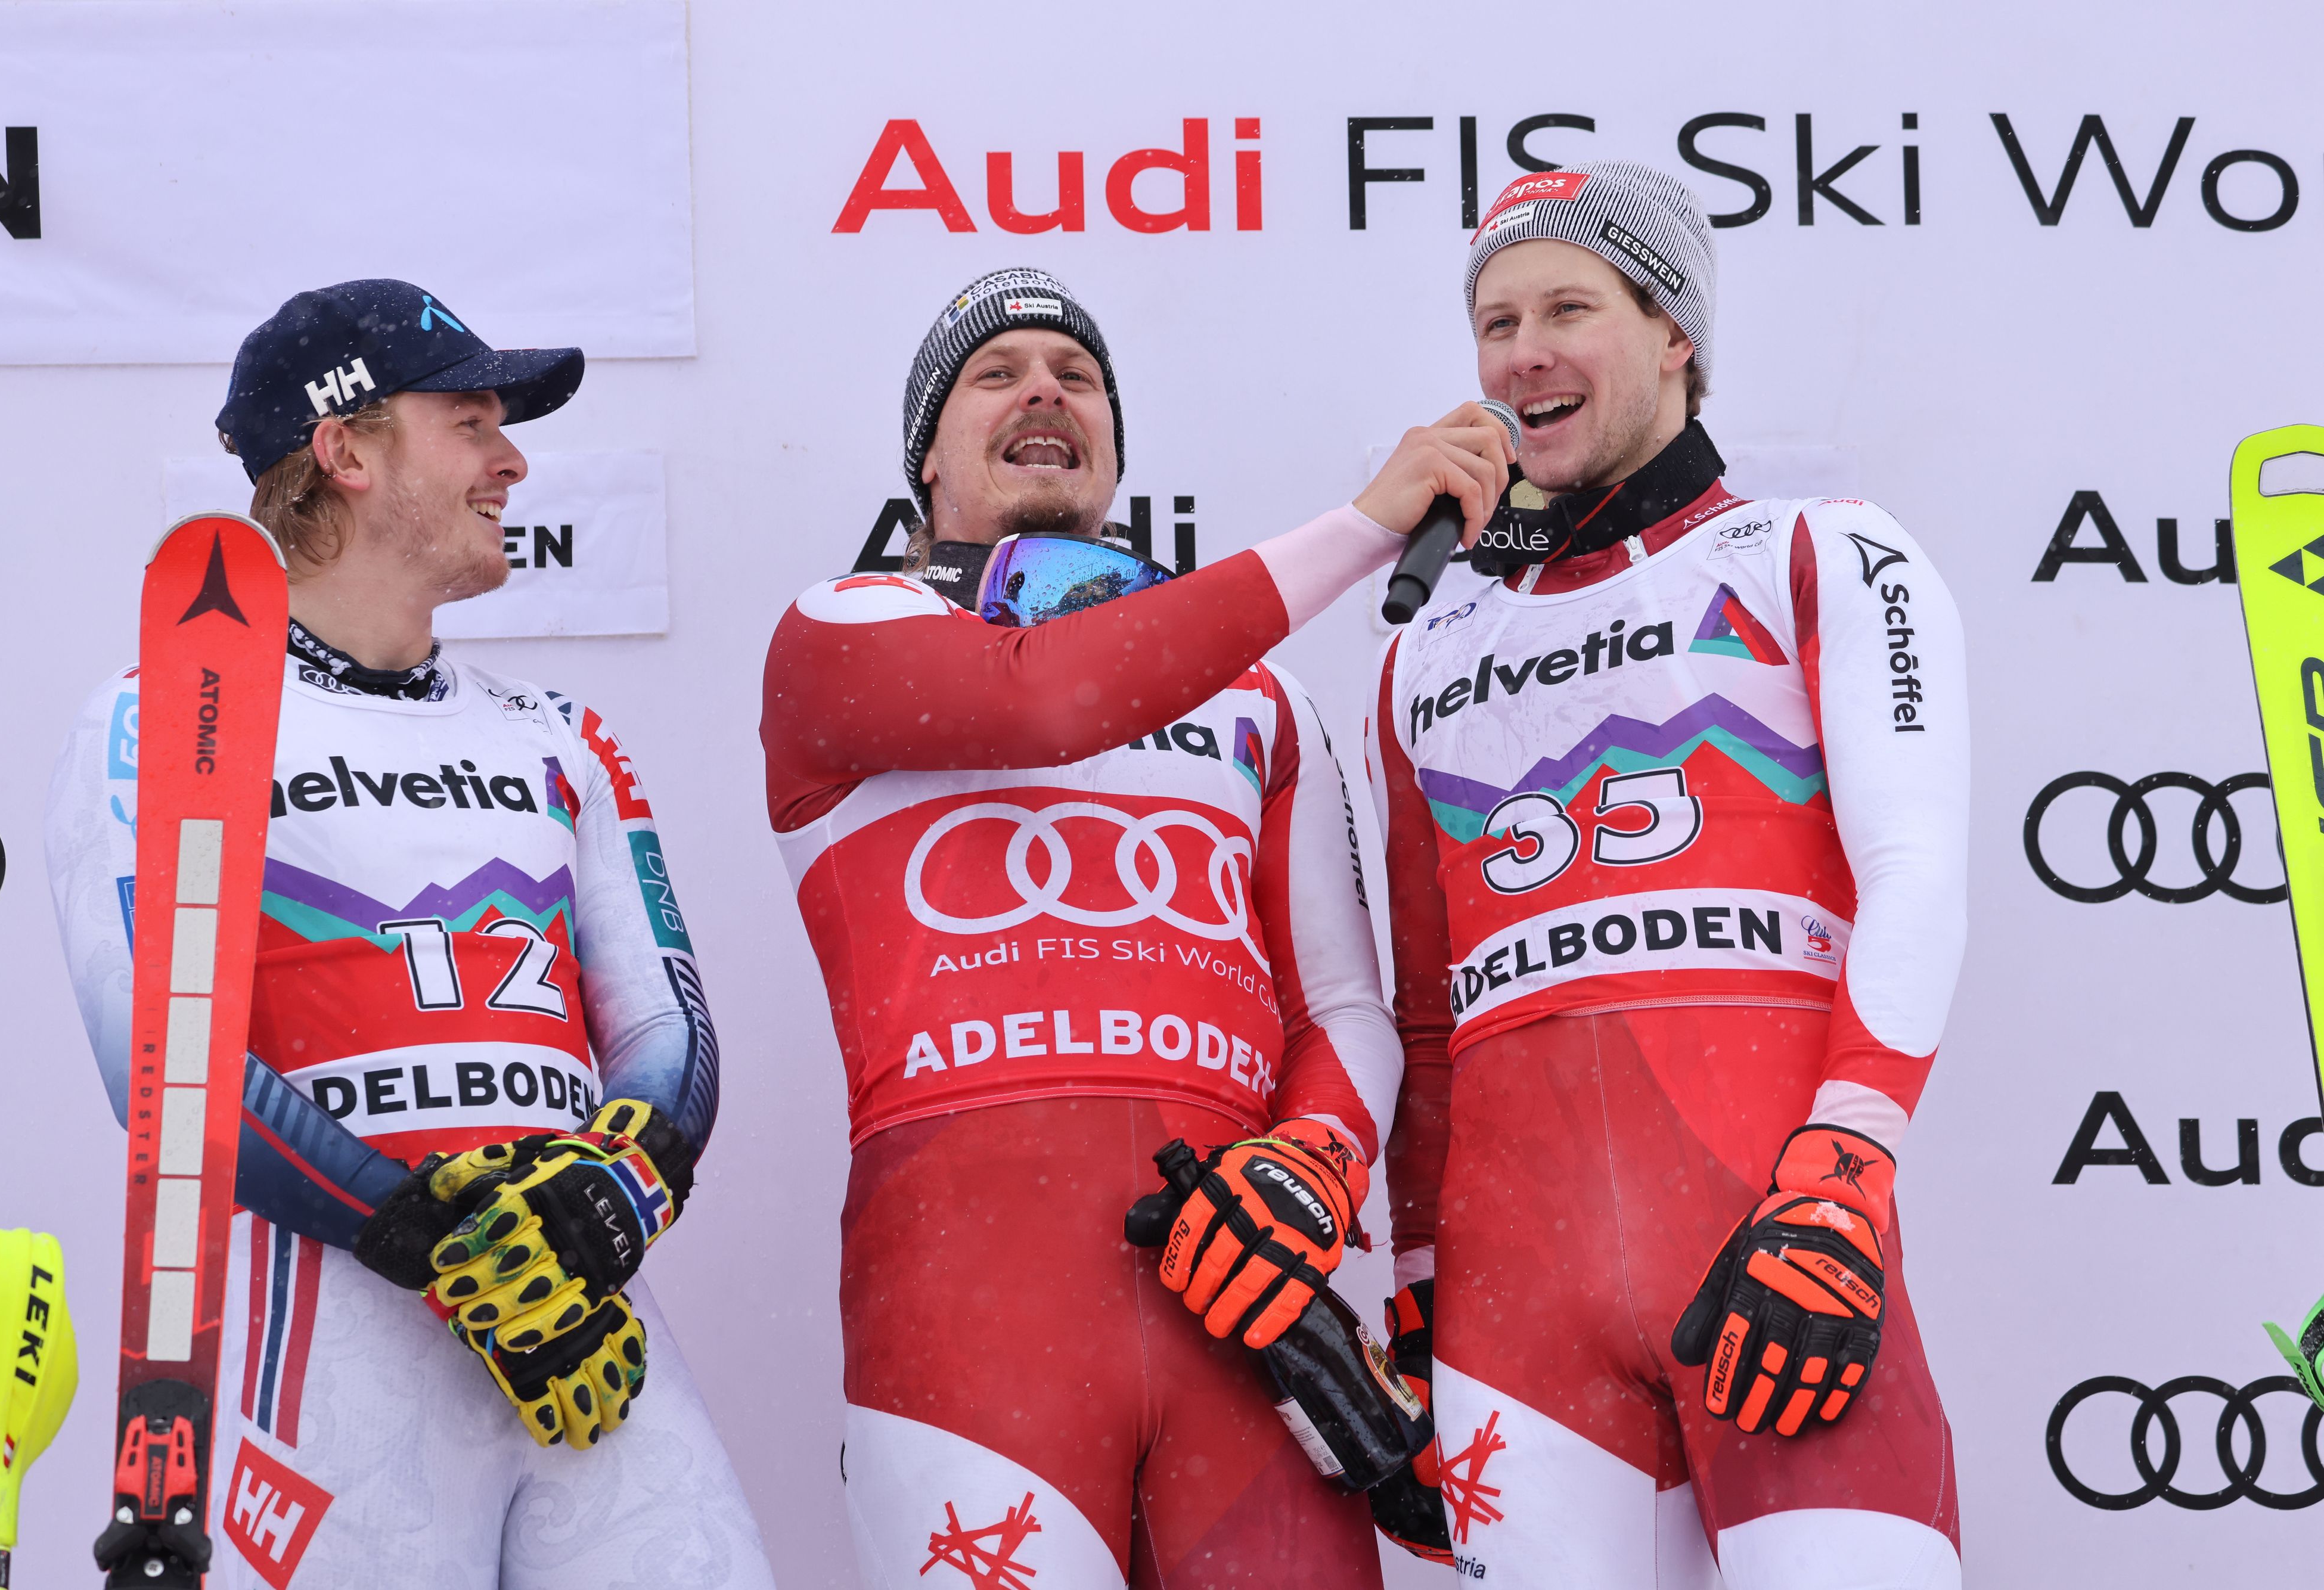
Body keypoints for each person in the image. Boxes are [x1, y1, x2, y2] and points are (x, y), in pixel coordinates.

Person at [759, 266, 1510, 1589]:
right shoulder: (844, 628)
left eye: (1078, 376)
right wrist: (1363, 527)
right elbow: (1044, 699)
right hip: (968, 1332)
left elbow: (1340, 1006)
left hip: (1245, 1310)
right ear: (924, 457)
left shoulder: (1259, 696)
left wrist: (1312, 1167)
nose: (1044, 390)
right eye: (995, 374)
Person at [45, 279, 775, 1588]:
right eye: (471, 423)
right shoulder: (168, 711)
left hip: (578, 1329)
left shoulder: (558, 732)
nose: (513, 462)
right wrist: (432, 1236)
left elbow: (669, 1027)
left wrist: (605, 1198)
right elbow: (158, 1057)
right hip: (334, 1351)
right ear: (346, 450)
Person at [1369, 165, 1969, 1586]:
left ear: (1673, 332)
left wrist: (1839, 1180)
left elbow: (1913, 872)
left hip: (1781, 1254)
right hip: (1516, 1326)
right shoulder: (1422, 644)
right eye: (1496, 322)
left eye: (1567, 307)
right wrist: (1415, 1296)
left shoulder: (1820, 548)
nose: (1524, 352)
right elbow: (1425, 1017)